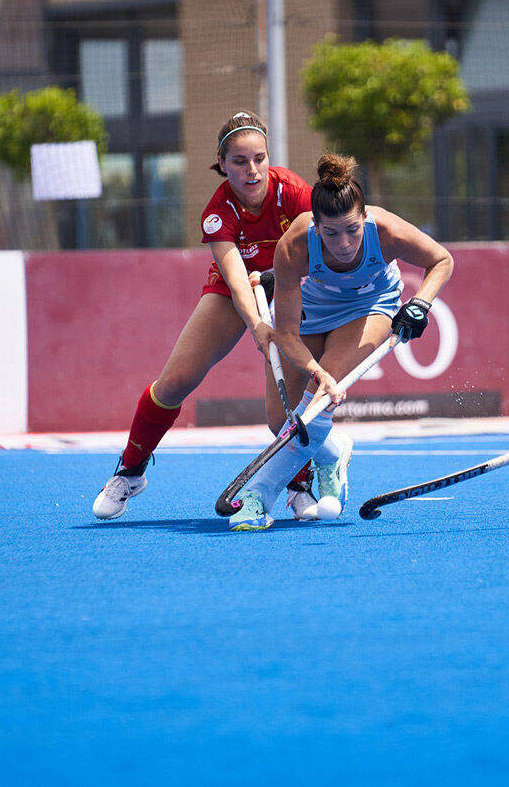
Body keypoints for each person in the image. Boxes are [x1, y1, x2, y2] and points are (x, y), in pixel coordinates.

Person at [92, 111, 317, 520]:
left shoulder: (296, 192)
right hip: (235, 294)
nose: (252, 170)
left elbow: (317, 254)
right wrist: (257, 325)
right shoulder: (219, 210)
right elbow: (234, 279)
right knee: (174, 382)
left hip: (288, 289)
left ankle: (300, 483)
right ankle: (130, 470)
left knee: (279, 412)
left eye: (260, 159)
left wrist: (278, 297)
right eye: (239, 161)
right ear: (222, 163)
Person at [224, 153, 455, 531]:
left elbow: (442, 260)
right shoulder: (294, 245)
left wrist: (420, 303)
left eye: (352, 230)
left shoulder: (388, 232)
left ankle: (259, 496)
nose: (344, 243)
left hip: (371, 306)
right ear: (316, 226)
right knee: (280, 420)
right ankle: (332, 453)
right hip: (314, 308)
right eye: (331, 234)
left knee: (315, 404)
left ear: (364, 218)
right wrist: (316, 371)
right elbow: (286, 335)